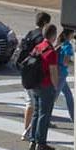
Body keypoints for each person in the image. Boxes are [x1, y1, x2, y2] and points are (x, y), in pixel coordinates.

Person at [26, 24, 61, 150]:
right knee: (44, 115)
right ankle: (41, 142)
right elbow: (53, 72)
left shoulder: (38, 47)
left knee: (36, 113)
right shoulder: (51, 52)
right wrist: (56, 86)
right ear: (53, 35)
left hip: (35, 83)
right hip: (46, 85)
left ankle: (33, 140)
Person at [18, 11, 52, 140]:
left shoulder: (30, 33)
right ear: (44, 23)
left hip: (26, 70)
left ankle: (30, 128)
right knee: (32, 103)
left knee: (31, 102)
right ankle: (27, 130)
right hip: (35, 72)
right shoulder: (40, 38)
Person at [56, 28, 76, 124]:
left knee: (68, 95)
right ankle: (38, 123)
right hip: (62, 74)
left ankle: (75, 118)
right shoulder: (68, 46)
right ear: (69, 35)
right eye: (73, 33)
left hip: (57, 72)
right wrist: (75, 63)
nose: (74, 35)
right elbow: (65, 62)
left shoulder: (59, 43)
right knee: (53, 99)